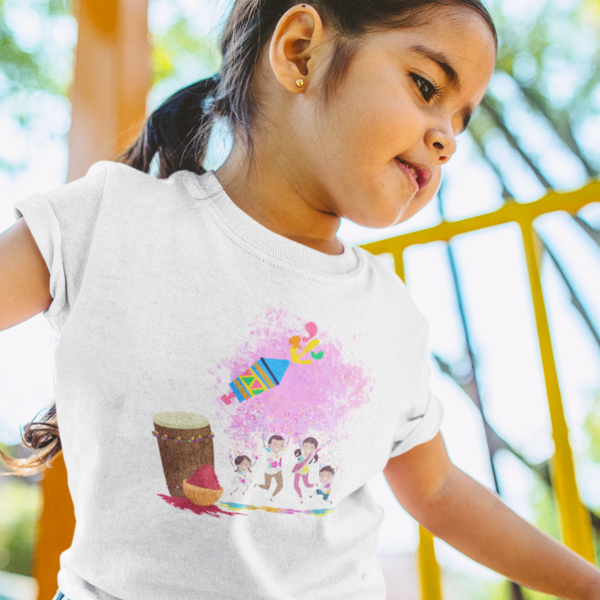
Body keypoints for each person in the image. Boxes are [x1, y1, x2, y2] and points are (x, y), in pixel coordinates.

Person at [1, 1, 599, 599]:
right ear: (299, 51)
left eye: (460, 123)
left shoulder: (390, 317)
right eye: (425, 86)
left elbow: (438, 489)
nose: (446, 140)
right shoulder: (111, 222)